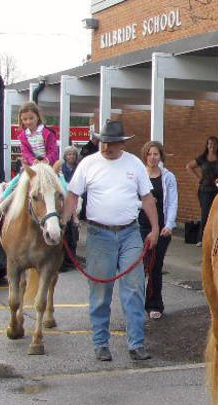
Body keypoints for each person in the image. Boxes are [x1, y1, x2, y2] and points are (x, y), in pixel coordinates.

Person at [61, 120, 159, 362]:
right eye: (103, 142)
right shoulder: (88, 164)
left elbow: (147, 198)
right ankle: (101, 343)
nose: (105, 146)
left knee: (134, 288)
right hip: (99, 234)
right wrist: (63, 222)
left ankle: (136, 344)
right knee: (100, 291)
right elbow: (73, 195)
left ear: (121, 144)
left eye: (111, 143)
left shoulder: (134, 164)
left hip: (130, 233)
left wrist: (155, 228)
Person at [0, 101, 58, 216]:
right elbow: (25, 152)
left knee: (63, 185)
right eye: (25, 119)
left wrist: (46, 160)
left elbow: (53, 151)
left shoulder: (47, 133)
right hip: (33, 167)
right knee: (15, 183)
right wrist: (32, 160)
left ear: (37, 117)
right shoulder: (23, 136)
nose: (28, 121)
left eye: (31, 118)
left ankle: (72, 215)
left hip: (48, 167)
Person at [140, 140, 177, 319]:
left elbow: (172, 202)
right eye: (149, 154)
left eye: (156, 154)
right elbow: (130, 197)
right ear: (145, 156)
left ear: (161, 156)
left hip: (161, 228)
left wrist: (169, 225)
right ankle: (135, 303)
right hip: (140, 226)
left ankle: (154, 304)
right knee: (139, 267)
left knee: (155, 266)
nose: (152, 157)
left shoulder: (168, 177)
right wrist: (145, 203)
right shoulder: (139, 175)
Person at [185, 135, 218, 246]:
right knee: (205, 214)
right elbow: (189, 166)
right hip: (205, 190)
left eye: (214, 144)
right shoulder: (203, 158)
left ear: (217, 146)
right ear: (207, 145)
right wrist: (199, 178)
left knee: (217, 214)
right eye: (210, 144)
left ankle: (214, 238)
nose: (212, 146)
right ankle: (201, 238)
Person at [54, 145, 81, 271]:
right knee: (65, 232)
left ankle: (71, 259)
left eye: (73, 154)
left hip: (76, 200)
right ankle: (63, 261)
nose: (71, 156)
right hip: (65, 202)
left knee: (73, 233)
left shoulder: (79, 168)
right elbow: (65, 188)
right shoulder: (61, 170)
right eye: (69, 154)